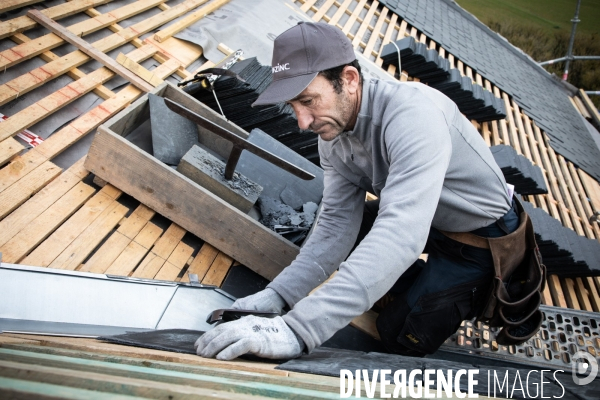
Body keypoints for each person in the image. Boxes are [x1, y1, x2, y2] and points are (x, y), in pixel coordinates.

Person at [194, 21, 525, 361]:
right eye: (294, 107)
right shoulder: (334, 137)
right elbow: (336, 225)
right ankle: (413, 282)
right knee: (331, 230)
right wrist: (279, 294)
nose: (302, 122)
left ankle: (452, 289)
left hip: (478, 238)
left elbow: (400, 234)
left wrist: (298, 329)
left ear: (349, 80)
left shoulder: (414, 116)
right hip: (425, 217)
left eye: (308, 101)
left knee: (400, 336)